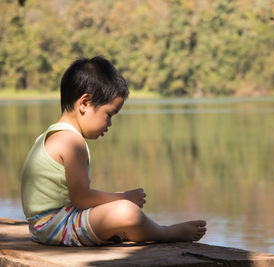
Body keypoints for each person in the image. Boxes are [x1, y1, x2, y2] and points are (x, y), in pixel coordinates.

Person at [20, 56, 207, 246]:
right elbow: (82, 198)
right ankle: (166, 232)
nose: (109, 124)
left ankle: (120, 232)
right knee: (126, 211)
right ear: (84, 103)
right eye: (109, 114)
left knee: (117, 212)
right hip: (57, 226)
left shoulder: (51, 135)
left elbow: (78, 197)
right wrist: (123, 197)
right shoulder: (72, 142)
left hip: (43, 227)